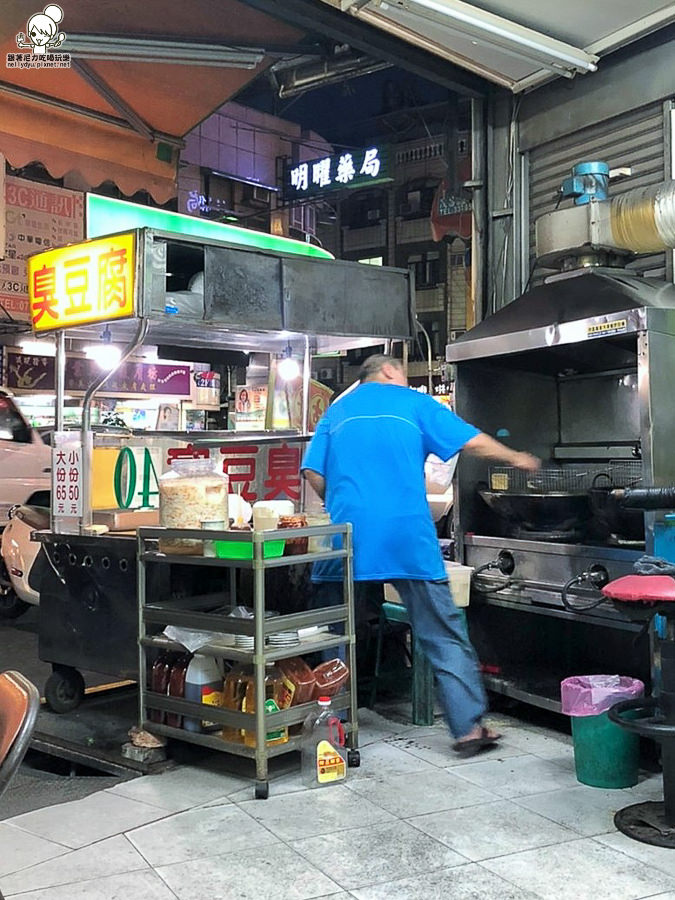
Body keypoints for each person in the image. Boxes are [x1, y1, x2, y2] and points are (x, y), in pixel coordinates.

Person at [301, 354, 540, 758]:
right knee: (441, 630)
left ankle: (332, 727)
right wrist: (517, 458)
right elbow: (472, 441)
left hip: (345, 535)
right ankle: (467, 729)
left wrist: (341, 503)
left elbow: (312, 473)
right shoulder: (412, 403)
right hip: (405, 534)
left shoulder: (337, 412)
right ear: (391, 372)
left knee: (335, 632)